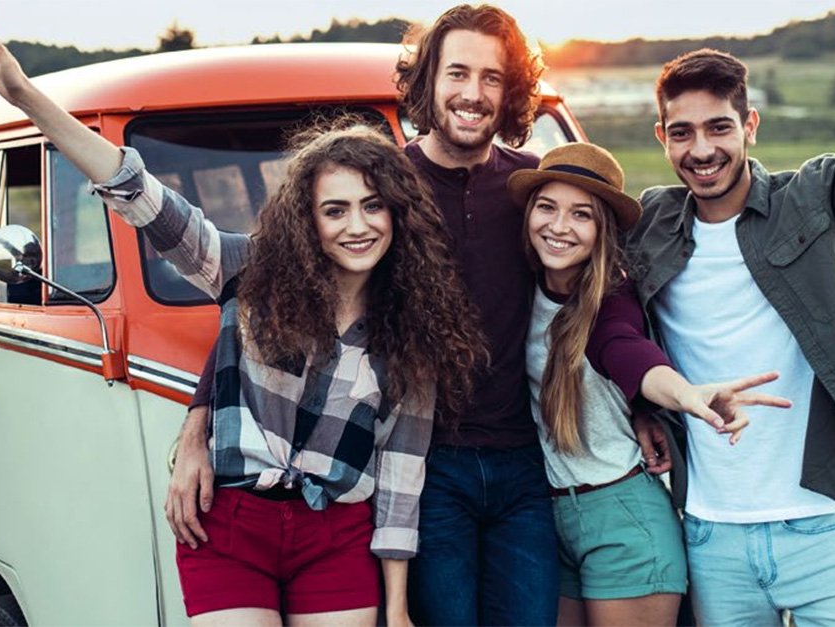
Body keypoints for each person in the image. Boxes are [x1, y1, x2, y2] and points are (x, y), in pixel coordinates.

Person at [0, 12, 487, 626]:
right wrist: (22, 92)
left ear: (397, 214)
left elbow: (400, 476)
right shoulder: (249, 270)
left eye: (373, 206)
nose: (357, 225)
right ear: (307, 220)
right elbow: (137, 193)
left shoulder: (414, 326)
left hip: (338, 532)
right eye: (334, 210)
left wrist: (397, 610)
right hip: (231, 524)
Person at [173, 5, 560, 624]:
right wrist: (197, 429)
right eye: (457, 72)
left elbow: (597, 291)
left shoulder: (535, 187)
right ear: (428, 79)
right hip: (417, 461)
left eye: (492, 77)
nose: (473, 93)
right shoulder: (379, 185)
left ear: (511, 89)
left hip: (525, 453)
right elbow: (252, 308)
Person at [625, 48, 835, 625]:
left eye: (719, 127)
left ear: (749, 125)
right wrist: (641, 403)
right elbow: (608, 328)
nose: (701, 151)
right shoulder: (649, 225)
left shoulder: (816, 197)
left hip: (823, 526)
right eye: (681, 132)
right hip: (711, 536)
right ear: (662, 136)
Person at [508, 142, 792, 626]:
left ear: (602, 231)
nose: (558, 227)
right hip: (550, 516)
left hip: (623, 518)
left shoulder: (610, 300)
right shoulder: (518, 291)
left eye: (581, 215)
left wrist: (685, 395)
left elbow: (625, 351)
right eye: (546, 208)